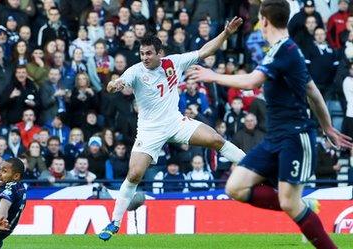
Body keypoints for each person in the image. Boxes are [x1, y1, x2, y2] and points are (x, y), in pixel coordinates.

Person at [188, 1, 353, 248]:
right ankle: (302, 206)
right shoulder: (284, 50)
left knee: (288, 203)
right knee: (235, 186)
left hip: (295, 137)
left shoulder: (283, 51)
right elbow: (313, 92)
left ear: (263, 21)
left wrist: (212, 76)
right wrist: (327, 126)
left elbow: (253, 81)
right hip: (275, 138)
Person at [98, 17, 246, 241]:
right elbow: (117, 82)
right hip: (149, 131)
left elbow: (204, 51)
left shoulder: (174, 62)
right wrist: (114, 84)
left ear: (160, 53)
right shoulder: (136, 71)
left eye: (149, 53)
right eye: (142, 54)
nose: (145, 57)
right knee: (134, 174)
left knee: (215, 138)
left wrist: (225, 34)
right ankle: (115, 222)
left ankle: (253, 167)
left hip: (176, 123)